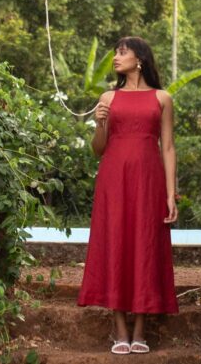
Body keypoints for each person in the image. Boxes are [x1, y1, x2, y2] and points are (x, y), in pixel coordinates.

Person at [77, 36, 179, 354]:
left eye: (122, 52)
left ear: (140, 59)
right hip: (114, 180)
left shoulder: (162, 98)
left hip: (149, 181)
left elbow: (168, 147)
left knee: (145, 244)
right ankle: (120, 329)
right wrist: (99, 124)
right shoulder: (108, 97)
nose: (116, 58)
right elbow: (98, 149)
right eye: (115, 53)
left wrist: (171, 194)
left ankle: (140, 331)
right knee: (115, 243)